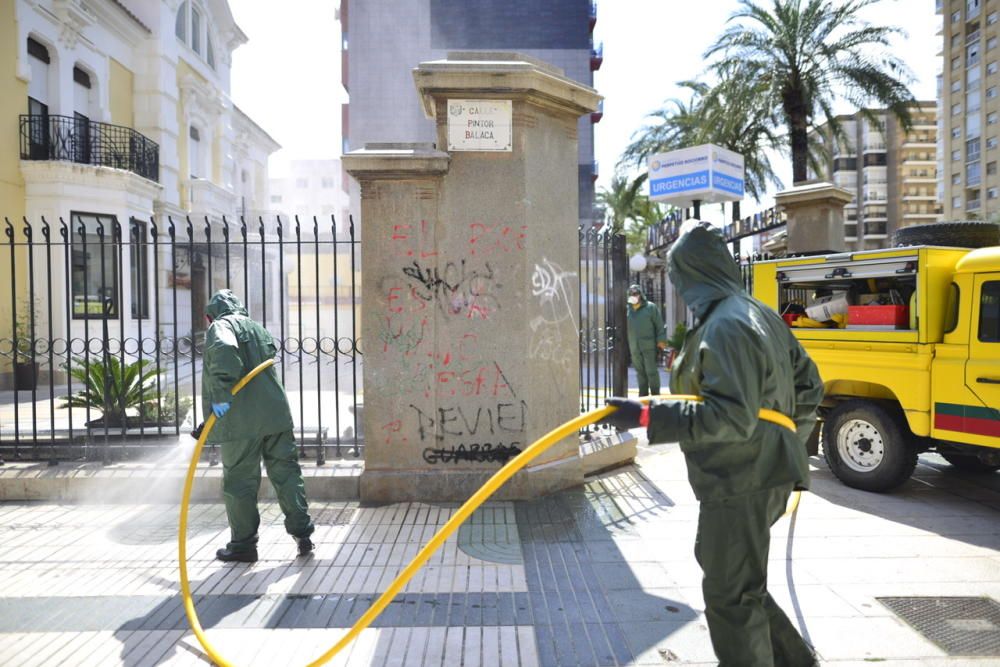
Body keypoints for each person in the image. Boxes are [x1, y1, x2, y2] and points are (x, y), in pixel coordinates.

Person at [601, 221, 824, 666]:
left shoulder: (727, 325)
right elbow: (810, 387)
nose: (680, 288)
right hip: (760, 473)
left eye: (680, 276)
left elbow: (731, 416)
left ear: (696, 273)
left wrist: (647, 415)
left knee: (730, 596)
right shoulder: (756, 314)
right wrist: (784, 442)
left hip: (743, 478)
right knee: (732, 575)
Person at [199, 289, 315, 563]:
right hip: (275, 413)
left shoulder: (220, 326)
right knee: (287, 474)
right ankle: (303, 535)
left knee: (240, 482)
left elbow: (226, 354)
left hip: (242, 421)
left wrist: (220, 397)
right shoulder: (257, 327)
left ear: (208, 316)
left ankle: (243, 546)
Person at [626, 283, 667, 396]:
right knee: (640, 372)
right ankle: (643, 395)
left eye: (635, 294)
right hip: (634, 346)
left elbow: (659, 325)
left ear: (640, 294)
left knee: (651, 371)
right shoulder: (627, 310)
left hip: (649, 346)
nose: (633, 296)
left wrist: (661, 342)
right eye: (631, 294)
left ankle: (655, 395)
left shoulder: (650, 307)